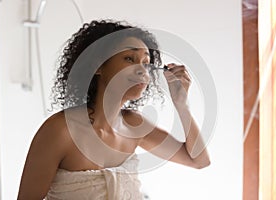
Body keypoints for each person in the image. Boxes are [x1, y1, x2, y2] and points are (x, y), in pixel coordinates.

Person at [17, 19, 210, 200]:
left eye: (145, 62)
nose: (142, 70)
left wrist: (181, 103)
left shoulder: (135, 125)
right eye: (129, 58)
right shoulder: (60, 130)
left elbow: (199, 161)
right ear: (98, 66)